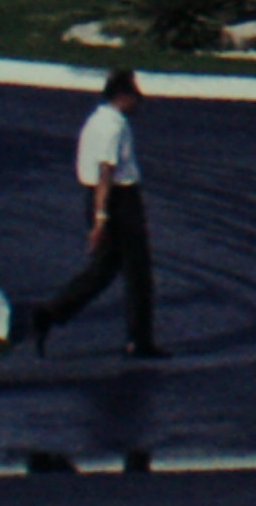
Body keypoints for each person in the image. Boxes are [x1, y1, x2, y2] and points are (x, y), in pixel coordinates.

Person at [20, 68, 163, 361]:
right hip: (119, 201)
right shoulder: (113, 126)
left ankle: (49, 313)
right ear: (122, 95)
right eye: (135, 96)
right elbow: (106, 171)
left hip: (102, 199)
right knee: (138, 272)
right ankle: (139, 340)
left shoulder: (95, 120)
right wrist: (101, 219)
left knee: (104, 270)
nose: (138, 102)